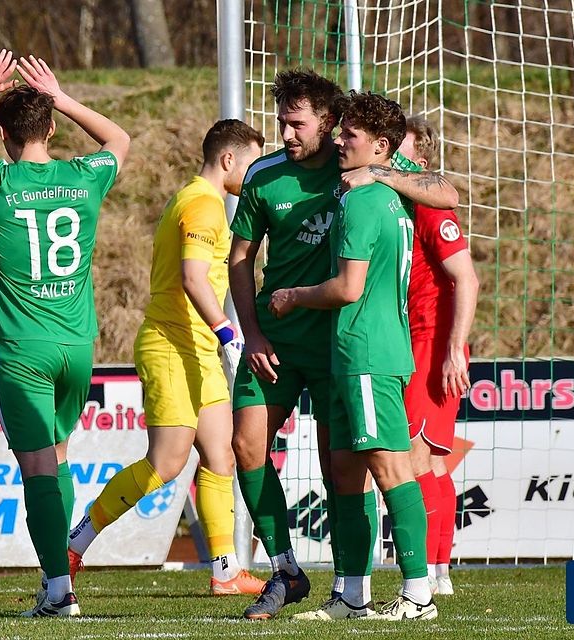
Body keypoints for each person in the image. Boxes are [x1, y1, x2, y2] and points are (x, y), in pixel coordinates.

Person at [227, 69, 459, 621]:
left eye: (296, 122)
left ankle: (366, 589)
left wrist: (381, 171)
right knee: (246, 445)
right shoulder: (264, 176)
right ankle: (285, 569)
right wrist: (251, 330)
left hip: (342, 343)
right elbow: (239, 258)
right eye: (281, 120)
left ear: (329, 125)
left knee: (349, 469)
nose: (285, 132)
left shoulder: (358, 168)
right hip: (276, 340)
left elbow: (446, 191)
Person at [0, 50, 129, 618]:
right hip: (77, 346)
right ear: (52, 128)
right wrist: (62, 97)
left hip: (23, 350)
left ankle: (60, 591)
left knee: (37, 467)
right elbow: (120, 141)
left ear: (4, 134)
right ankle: (55, 580)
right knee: (59, 459)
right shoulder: (83, 176)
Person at [65, 119, 265, 596]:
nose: (256, 175)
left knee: (220, 458)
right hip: (173, 345)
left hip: (199, 346)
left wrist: (217, 338)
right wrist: (228, 333)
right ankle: (74, 544)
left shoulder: (203, 200)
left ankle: (225, 571)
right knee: (166, 463)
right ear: (229, 160)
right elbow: (194, 278)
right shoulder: (202, 205)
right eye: (253, 163)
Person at [397, 116, 479, 596]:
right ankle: (439, 570)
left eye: (402, 154)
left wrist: (453, 351)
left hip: (433, 342)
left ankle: (427, 570)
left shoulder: (431, 209)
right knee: (427, 463)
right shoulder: (403, 206)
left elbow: (467, 279)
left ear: (422, 165)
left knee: (411, 460)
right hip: (415, 340)